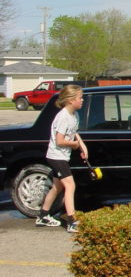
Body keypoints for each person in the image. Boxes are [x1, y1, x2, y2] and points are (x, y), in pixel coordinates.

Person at [36, 84, 88, 233]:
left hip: (62, 156)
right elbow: (59, 141)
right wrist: (73, 145)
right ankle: (71, 221)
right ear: (71, 100)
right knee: (70, 185)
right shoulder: (63, 116)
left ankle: (43, 215)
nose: (82, 100)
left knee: (57, 186)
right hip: (56, 156)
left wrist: (82, 146)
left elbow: (74, 132)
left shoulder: (74, 115)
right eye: (80, 98)